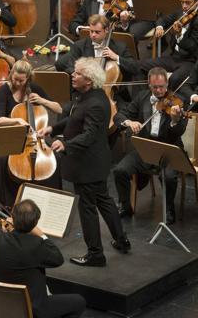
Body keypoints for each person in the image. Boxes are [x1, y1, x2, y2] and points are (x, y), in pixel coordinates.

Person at [39, 57, 130, 266]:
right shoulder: (88, 96)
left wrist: (66, 145)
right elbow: (73, 119)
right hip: (93, 162)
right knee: (104, 200)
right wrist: (54, 129)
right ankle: (121, 239)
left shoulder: (96, 103)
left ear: (88, 80)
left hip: (88, 164)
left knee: (88, 208)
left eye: (78, 73)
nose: (73, 74)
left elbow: (89, 135)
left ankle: (96, 254)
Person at [113, 67, 187, 224]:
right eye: (155, 87)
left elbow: (179, 132)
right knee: (120, 171)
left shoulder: (178, 101)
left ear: (167, 84)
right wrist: (129, 122)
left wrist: (175, 120)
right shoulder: (142, 97)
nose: (159, 91)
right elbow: (119, 116)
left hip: (168, 150)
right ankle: (125, 206)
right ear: (149, 85)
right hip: (145, 149)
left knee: (168, 177)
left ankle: (169, 208)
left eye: (162, 86)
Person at [0, 199, 86, 318]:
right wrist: (42, 234)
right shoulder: (36, 244)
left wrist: (8, 232)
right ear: (34, 224)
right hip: (32, 308)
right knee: (79, 301)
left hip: (3, 303)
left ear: (13, 218)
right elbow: (57, 259)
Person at [0, 59, 62, 207]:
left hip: (36, 138)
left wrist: (43, 101)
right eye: (15, 79)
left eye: (21, 80)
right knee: (1, 160)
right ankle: (8, 204)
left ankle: (51, 201)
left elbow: (59, 109)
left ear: (28, 78)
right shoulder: (4, 90)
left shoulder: (35, 88)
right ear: (11, 74)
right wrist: (17, 120)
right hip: (13, 137)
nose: (17, 83)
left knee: (55, 157)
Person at [139, 0, 198, 90]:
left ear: (197, 1)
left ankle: (167, 102)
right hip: (174, 57)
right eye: (182, 2)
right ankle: (146, 97)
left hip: (190, 61)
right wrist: (159, 27)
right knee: (142, 65)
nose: (184, 6)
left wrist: (179, 35)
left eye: (188, 3)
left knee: (173, 80)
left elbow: (193, 47)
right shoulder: (181, 12)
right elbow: (163, 19)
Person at [57, 14, 138, 90]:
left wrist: (116, 57)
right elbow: (64, 65)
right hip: (85, 92)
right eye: (91, 31)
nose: (93, 35)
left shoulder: (120, 46)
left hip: (114, 94)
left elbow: (135, 68)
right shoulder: (79, 46)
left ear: (106, 30)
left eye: (97, 32)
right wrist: (82, 74)